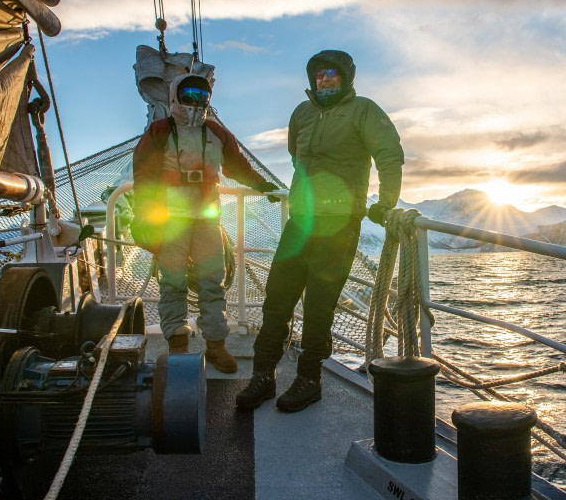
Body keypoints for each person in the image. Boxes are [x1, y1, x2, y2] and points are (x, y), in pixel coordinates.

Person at [236, 49, 404, 411]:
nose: (324, 79)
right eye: (318, 75)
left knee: (318, 307)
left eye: (331, 73)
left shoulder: (365, 111)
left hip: (340, 224)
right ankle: (263, 378)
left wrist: (386, 202)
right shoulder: (303, 112)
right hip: (301, 221)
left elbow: (389, 154)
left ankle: (309, 379)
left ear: (346, 76)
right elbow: (297, 154)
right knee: (276, 300)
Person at [132, 73, 279, 372]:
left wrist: (264, 186)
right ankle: (177, 343)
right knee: (172, 283)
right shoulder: (159, 131)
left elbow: (238, 166)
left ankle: (216, 345)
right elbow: (144, 177)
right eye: (190, 95)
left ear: (209, 100)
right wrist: (145, 217)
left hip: (207, 219)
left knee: (213, 283)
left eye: (202, 96)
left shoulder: (217, 133)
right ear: (175, 96)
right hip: (170, 220)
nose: (196, 102)